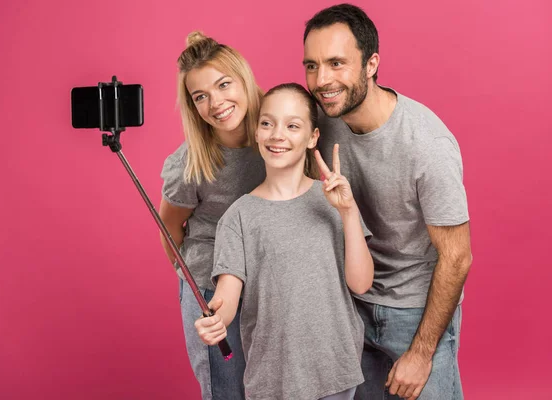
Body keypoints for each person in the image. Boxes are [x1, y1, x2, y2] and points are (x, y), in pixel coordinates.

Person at [302, 4, 473, 400]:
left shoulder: (427, 145)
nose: (322, 79)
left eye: (336, 63)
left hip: (414, 315)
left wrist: (421, 352)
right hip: (348, 307)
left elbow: (457, 256)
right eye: (311, 65)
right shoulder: (319, 120)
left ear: (371, 63)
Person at [194, 83, 374, 400]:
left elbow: (360, 284)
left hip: (335, 370)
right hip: (272, 378)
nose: (278, 135)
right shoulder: (238, 217)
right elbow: (226, 298)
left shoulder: (334, 201)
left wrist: (347, 212)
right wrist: (215, 322)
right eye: (267, 123)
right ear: (257, 132)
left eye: (293, 126)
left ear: (312, 137)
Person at [159, 31, 265, 400]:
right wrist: (195, 284)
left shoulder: (280, 130)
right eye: (200, 96)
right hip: (212, 287)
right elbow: (170, 227)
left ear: (244, 79)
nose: (215, 103)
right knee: (227, 391)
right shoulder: (191, 163)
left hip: (270, 283)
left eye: (223, 85)